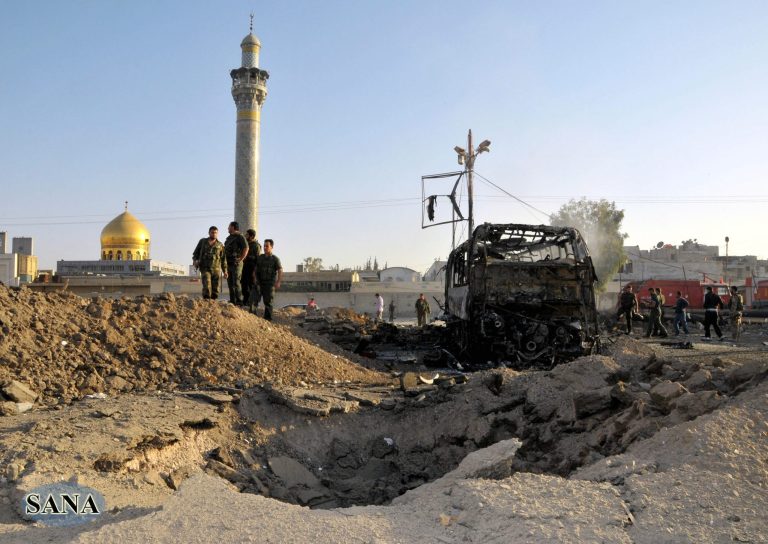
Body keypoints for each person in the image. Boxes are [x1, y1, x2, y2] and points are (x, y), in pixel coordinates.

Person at [192, 226, 228, 300]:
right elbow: (195, 253)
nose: (214, 234)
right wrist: (195, 261)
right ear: (209, 233)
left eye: (215, 233)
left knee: (216, 288)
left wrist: (225, 271)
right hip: (205, 268)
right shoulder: (202, 241)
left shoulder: (220, 245)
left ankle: (213, 302)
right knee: (207, 285)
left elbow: (223, 259)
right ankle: (207, 300)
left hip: (216, 269)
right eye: (212, 232)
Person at [254, 239, 283, 321]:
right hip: (259, 282)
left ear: (271, 247)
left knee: (268, 302)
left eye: (267, 246)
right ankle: (252, 317)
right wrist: (255, 279)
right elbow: (255, 270)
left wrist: (278, 282)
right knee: (253, 299)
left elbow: (280, 270)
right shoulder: (260, 258)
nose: (265, 248)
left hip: (269, 284)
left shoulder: (275, 259)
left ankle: (267, 319)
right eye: (264, 246)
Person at [224, 221, 249, 305]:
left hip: (236, 263)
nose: (227, 228)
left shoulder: (240, 237)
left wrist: (241, 259)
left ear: (233, 227)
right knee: (230, 283)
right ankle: (233, 301)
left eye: (229, 226)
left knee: (236, 282)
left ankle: (239, 301)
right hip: (229, 263)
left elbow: (246, 248)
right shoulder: (229, 238)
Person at [241, 229, 262, 312]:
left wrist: (255, 271)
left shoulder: (256, 245)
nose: (246, 236)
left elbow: (257, 259)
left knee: (251, 286)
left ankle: (251, 303)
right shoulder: (246, 244)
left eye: (247, 235)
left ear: (251, 236)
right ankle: (245, 301)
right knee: (244, 285)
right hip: (245, 268)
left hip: (251, 268)